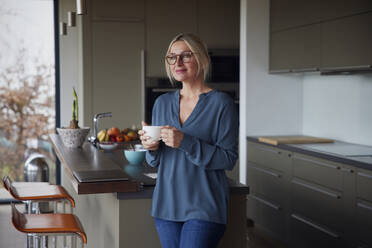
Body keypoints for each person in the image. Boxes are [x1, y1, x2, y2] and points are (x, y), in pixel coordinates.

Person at [138, 33, 238, 248]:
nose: (178, 62)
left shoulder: (222, 104)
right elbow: (155, 161)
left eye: (185, 56)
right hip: (166, 206)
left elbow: (228, 159)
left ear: (202, 59)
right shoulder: (162, 103)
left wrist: (186, 142)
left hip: (205, 207)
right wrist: (151, 147)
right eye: (172, 57)